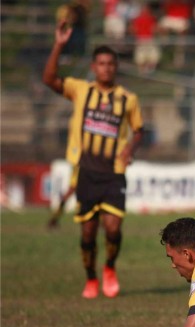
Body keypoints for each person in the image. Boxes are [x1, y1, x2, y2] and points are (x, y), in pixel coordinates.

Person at [43, 21, 145, 299]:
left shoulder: (128, 99)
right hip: (86, 171)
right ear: (93, 67)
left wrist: (130, 150)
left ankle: (109, 268)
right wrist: (59, 45)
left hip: (114, 173)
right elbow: (50, 79)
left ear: (116, 67)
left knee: (113, 228)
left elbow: (138, 131)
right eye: (101, 63)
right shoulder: (80, 90)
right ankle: (91, 278)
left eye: (111, 63)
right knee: (88, 234)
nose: (107, 68)